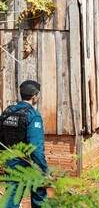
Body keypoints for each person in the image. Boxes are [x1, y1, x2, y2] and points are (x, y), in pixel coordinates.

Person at [0, 80, 48, 208]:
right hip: (29, 163)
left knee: (11, 196)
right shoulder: (33, 115)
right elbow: (36, 149)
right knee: (39, 194)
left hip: (10, 162)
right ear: (34, 96)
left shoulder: (7, 112)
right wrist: (44, 169)